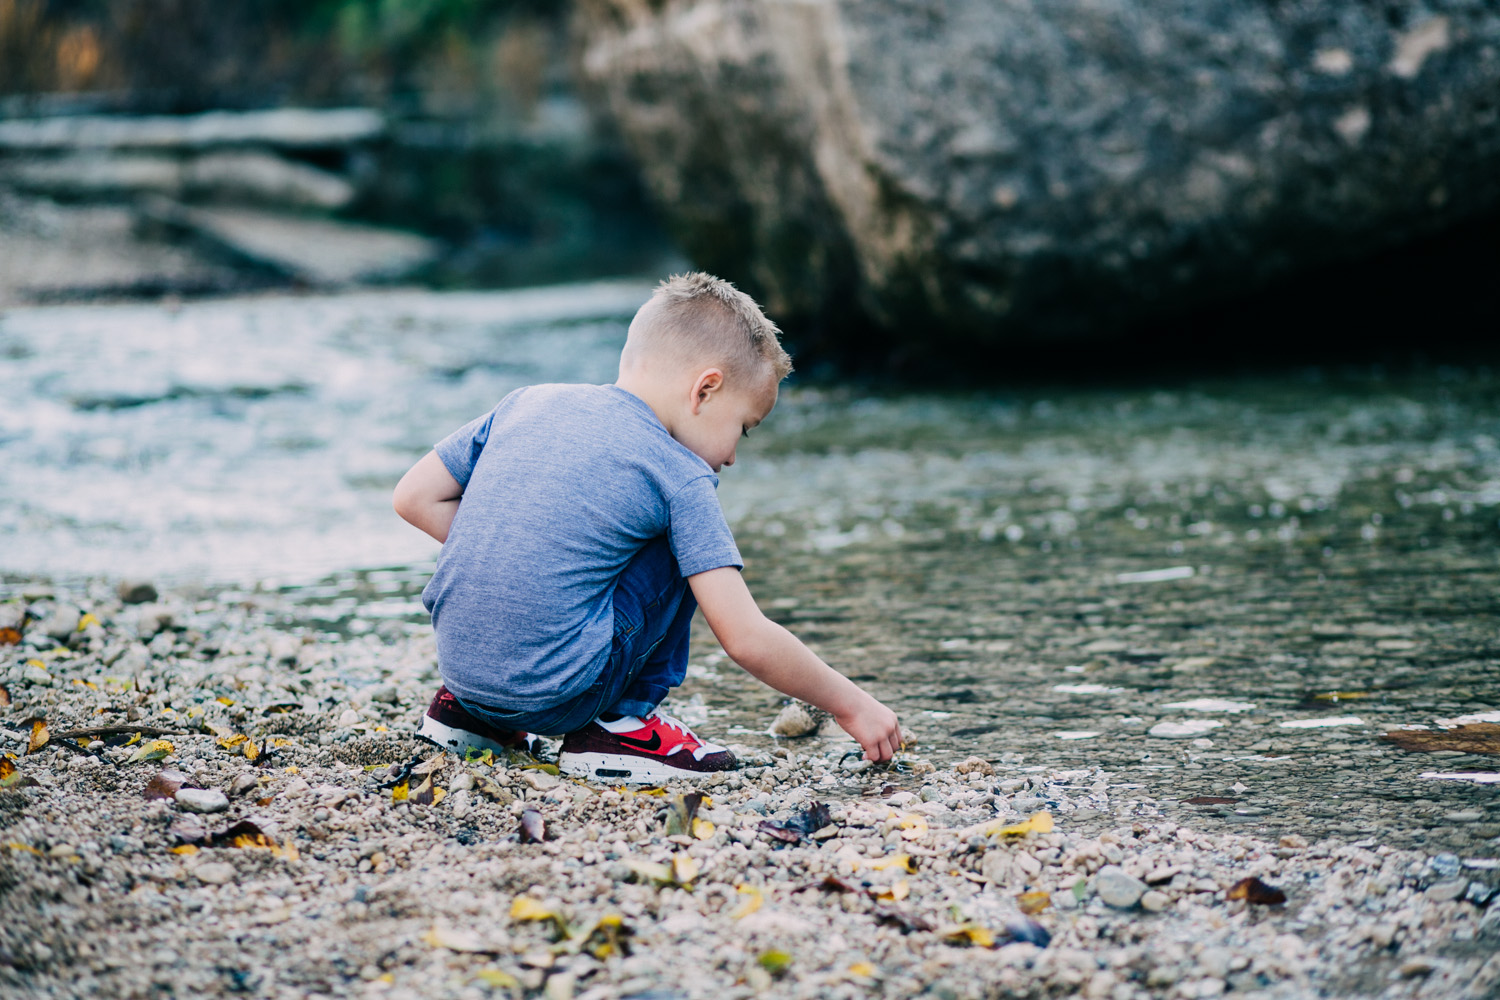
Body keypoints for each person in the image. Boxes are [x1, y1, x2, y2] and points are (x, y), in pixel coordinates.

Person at [393, 273, 901, 782]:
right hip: (562, 695)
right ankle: (621, 725)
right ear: (705, 390)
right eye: (742, 428)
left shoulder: (525, 402)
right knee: (686, 545)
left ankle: (468, 719)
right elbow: (744, 636)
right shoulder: (678, 472)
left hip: (464, 676)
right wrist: (852, 705)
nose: (732, 456)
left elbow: (413, 498)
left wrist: (531, 550)